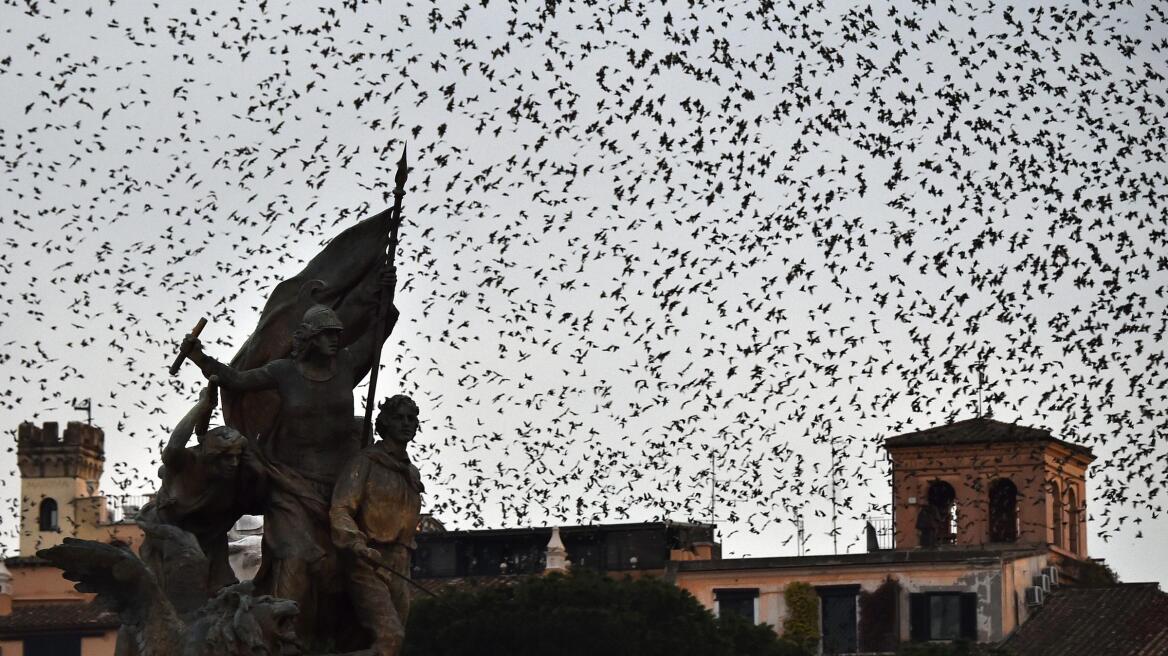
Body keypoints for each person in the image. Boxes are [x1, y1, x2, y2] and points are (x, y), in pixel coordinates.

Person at [179, 267, 396, 649]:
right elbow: (235, 381)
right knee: (295, 559)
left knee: (353, 569)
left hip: (341, 491)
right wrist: (200, 358)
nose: (335, 340)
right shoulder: (284, 372)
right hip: (289, 485)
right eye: (327, 334)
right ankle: (282, 640)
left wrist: (385, 293)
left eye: (337, 335)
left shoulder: (346, 365)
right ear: (309, 338)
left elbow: (376, 337)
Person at [139, 383, 257, 610]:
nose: (233, 463)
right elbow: (173, 447)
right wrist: (202, 406)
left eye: (237, 457)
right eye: (227, 457)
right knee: (177, 599)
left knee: (222, 594)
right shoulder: (187, 462)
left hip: (212, 539)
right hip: (170, 534)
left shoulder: (233, 479)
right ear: (213, 456)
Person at [331, 394, 424, 656]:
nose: (406, 423)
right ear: (384, 424)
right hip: (368, 561)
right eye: (399, 418)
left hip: (401, 563)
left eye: (411, 418)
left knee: (374, 642)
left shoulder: (411, 472)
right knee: (390, 640)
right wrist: (355, 542)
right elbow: (340, 508)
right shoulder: (365, 462)